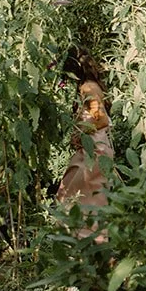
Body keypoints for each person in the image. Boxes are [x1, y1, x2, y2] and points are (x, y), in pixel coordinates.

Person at [56, 80, 113, 213]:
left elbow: (102, 120)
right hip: (95, 148)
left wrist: (81, 132)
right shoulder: (90, 87)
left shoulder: (87, 88)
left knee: (74, 196)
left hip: (94, 149)